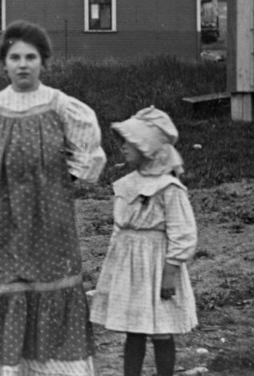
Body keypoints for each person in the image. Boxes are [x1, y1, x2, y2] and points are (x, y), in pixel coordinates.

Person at [0, 20, 106, 376]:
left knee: (47, 290)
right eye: (15, 57)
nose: (22, 64)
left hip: (50, 223)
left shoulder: (61, 107)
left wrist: (57, 191)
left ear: (43, 62)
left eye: (30, 57)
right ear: (3, 63)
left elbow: (87, 157)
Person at [90, 107, 197, 376]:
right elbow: (120, 227)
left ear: (147, 147)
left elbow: (182, 231)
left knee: (160, 328)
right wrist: (114, 271)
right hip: (129, 266)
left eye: (131, 142)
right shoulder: (128, 184)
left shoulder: (168, 188)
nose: (123, 148)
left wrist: (170, 272)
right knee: (133, 329)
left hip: (157, 265)